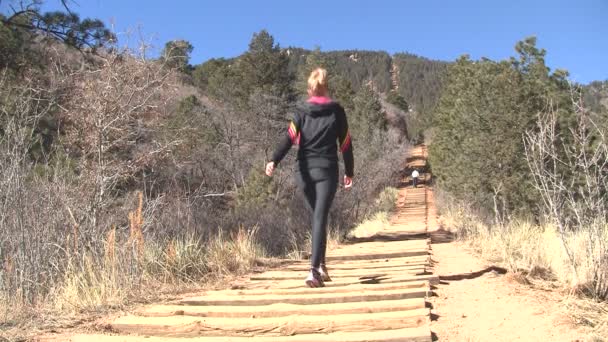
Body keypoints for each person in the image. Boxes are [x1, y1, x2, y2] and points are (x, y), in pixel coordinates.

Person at [265, 68, 354, 288]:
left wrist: (273, 160)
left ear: (309, 89)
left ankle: (319, 267)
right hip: (327, 171)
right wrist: (349, 171)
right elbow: (345, 144)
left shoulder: (301, 112)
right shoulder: (337, 112)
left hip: (303, 172)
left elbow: (289, 138)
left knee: (318, 216)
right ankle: (315, 270)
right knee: (319, 217)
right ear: (327, 88)